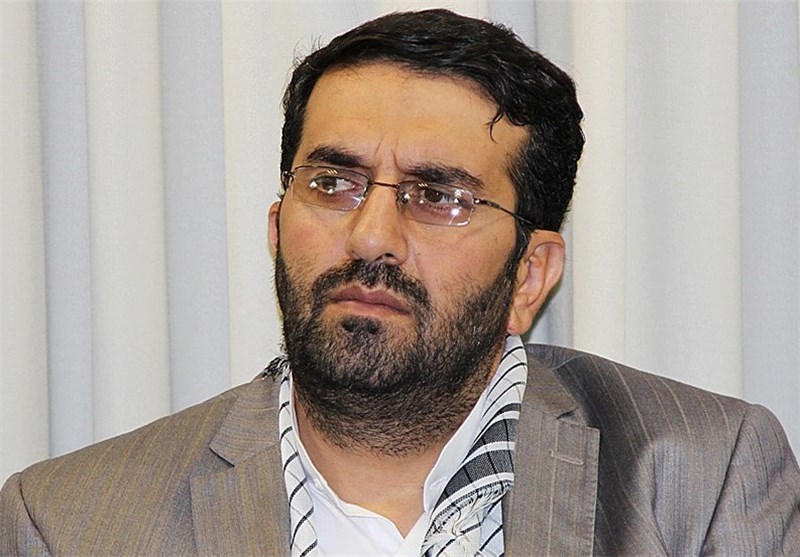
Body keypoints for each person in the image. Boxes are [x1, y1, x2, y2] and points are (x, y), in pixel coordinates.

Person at [2, 8, 798, 556]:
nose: (372, 236)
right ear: (276, 228)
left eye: (438, 195)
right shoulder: (71, 524)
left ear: (530, 275)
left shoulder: (700, 482)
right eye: (333, 183)